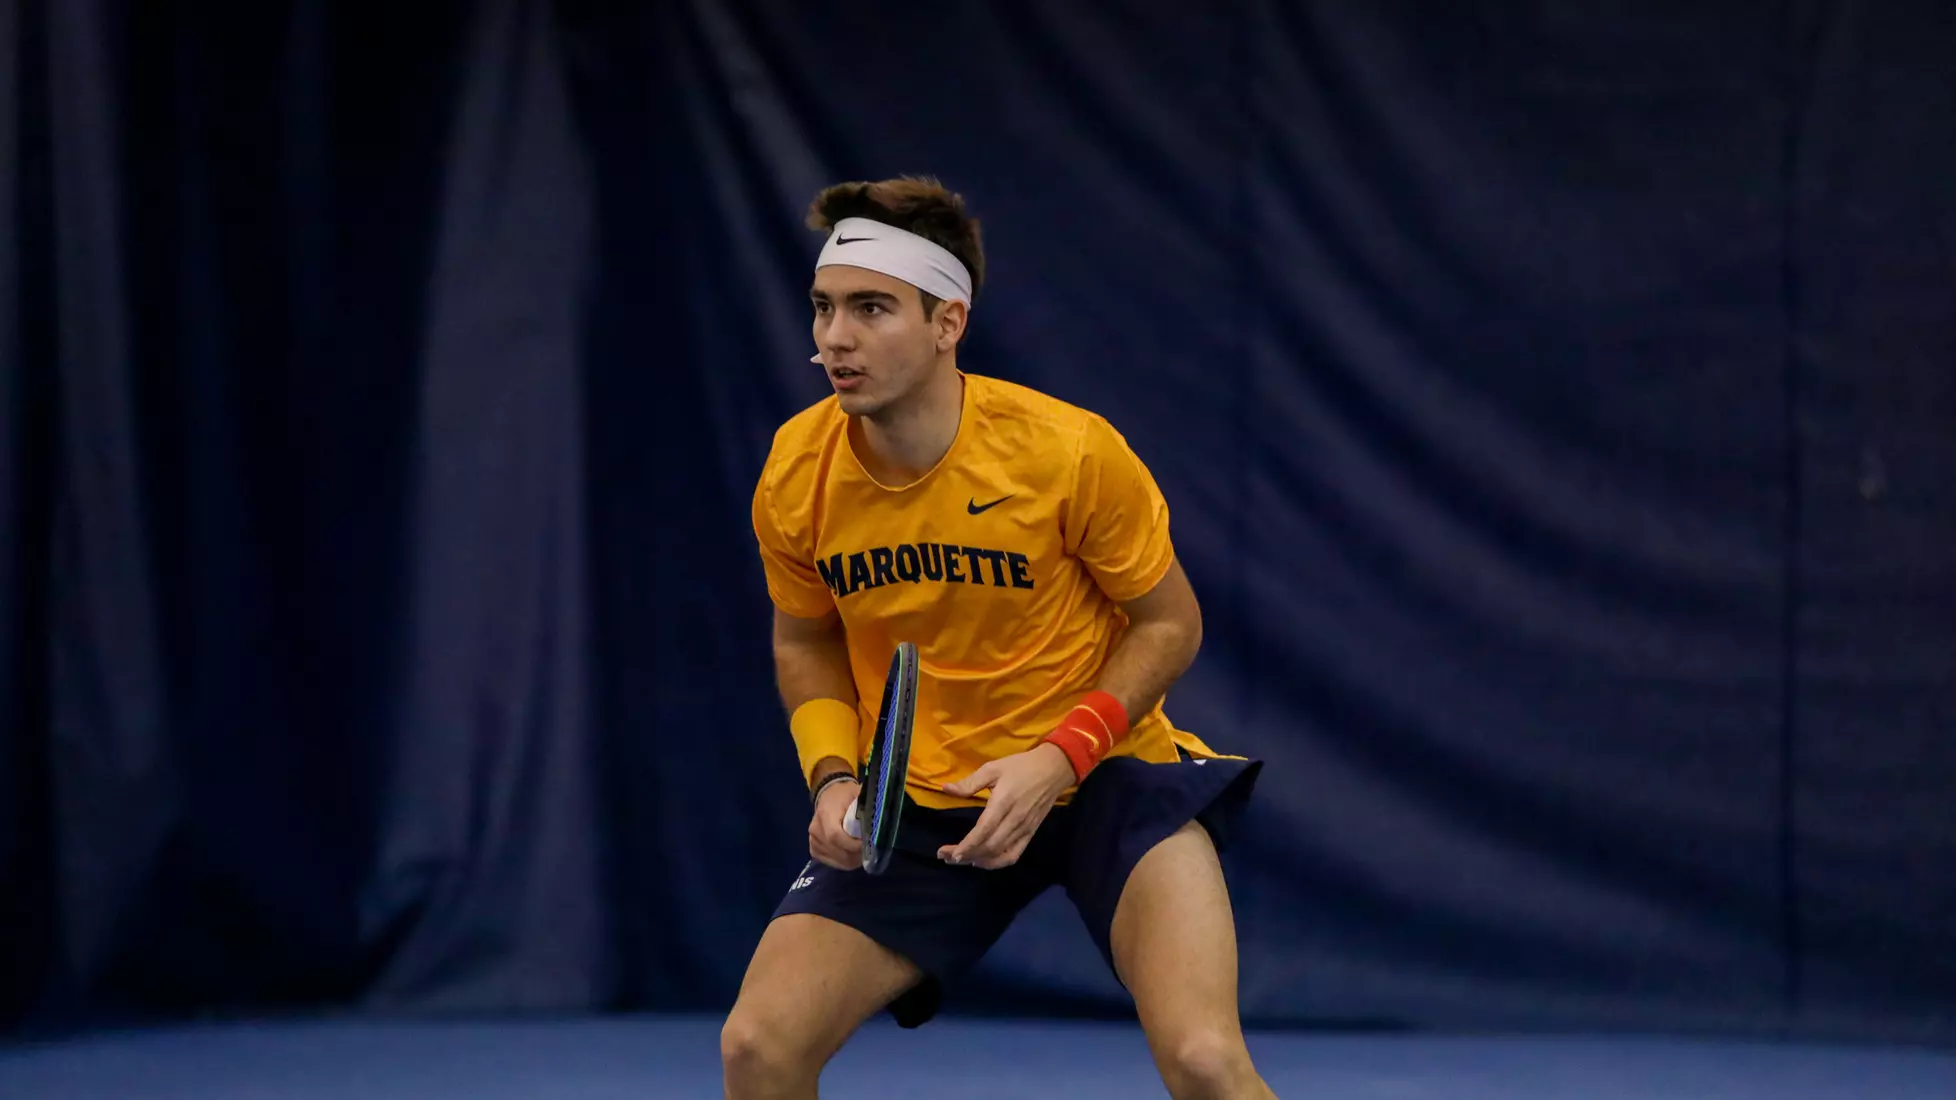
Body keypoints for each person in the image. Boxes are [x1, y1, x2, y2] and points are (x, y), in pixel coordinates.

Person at [723, 175, 1272, 1100]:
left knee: (1207, 1061)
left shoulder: (1070, 454)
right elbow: (805, 640)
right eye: (823, 309)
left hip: (1106, 777)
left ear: (948, 322)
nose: (835, 338)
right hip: (924, 804)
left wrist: (1062, 755)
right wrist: (833, 775)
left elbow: (1170, 623)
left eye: (871, 309)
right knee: (758, 1049)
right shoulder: (795, 471)